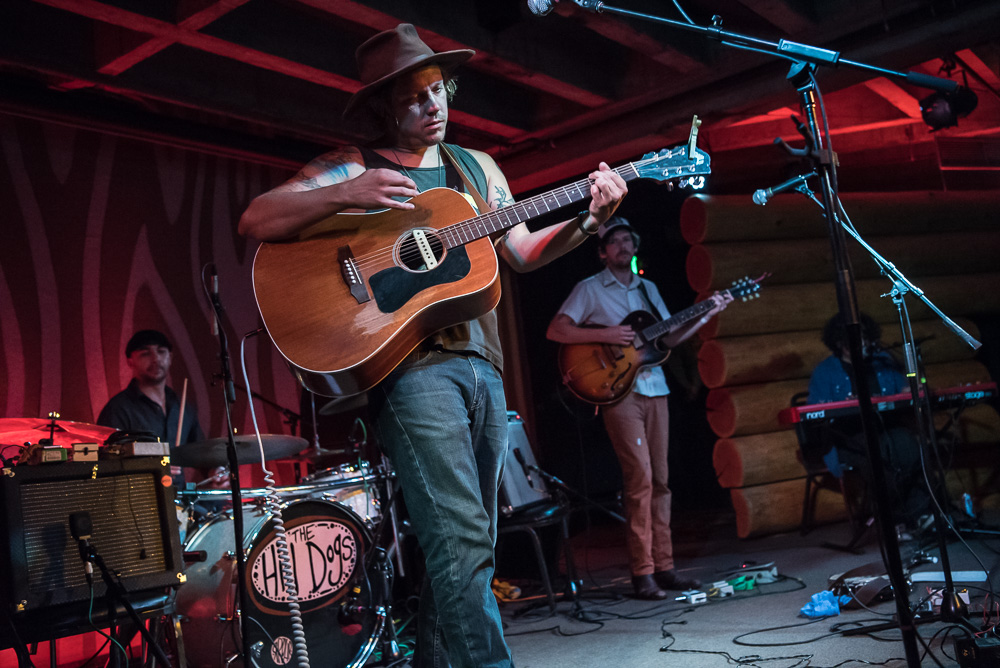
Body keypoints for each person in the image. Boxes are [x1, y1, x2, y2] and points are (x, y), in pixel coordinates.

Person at [238, 24, 627, 668]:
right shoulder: (353, 165)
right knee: (463, 537)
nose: (434, 105)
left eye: (439, 89)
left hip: (484, 368)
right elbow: (256, 219)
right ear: (386, 106)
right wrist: (344, 192)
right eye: (416, 96)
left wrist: (589, 220)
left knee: (467, 545)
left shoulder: (477, 169)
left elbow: (524, 253)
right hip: (412, 373)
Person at [546, 216, 731, 600]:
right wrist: (606, 333)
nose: (622, 245)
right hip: (619, 392)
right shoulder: (590, 289)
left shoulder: (648, 289)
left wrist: (707, 312)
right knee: (640, 479)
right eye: (614, 241)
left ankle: (664, 568)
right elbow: (557, 330)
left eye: (627, 239)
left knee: (661, 481)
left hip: (654, 388)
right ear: (602, 252)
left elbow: (669, 338)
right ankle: (641, 572)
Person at [807, 312, 930, 531]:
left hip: (887, 429)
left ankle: (922, 514)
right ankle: (897, 520)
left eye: (865, 339)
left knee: (907, 444)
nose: (863, 345)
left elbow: (904, 389)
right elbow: (816, 412)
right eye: (855, 340)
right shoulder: (825, 371)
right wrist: (845, 405)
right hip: (848, 436)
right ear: (839, 343)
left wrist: (909, 389)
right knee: (879, 452)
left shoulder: (883, 363)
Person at [97, 329, 214, 487]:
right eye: (145, 353)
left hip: (180, 500)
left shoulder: (182, 406)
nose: (155, 359)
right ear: (130, 361)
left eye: (161, 351)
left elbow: (201, 453)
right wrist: (151, 467)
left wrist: (214, 471)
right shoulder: (118, 408)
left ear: (170, 357)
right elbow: (105, 462)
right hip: (141, 501)